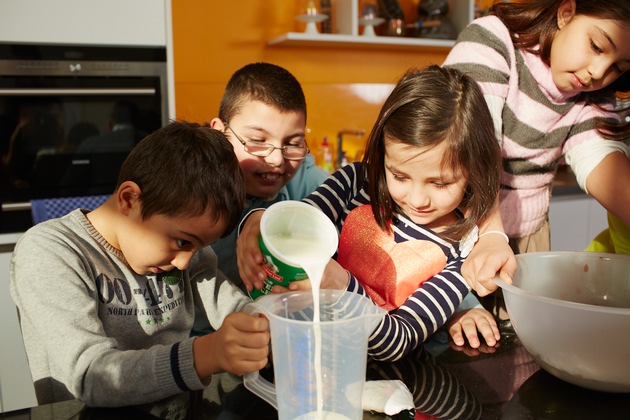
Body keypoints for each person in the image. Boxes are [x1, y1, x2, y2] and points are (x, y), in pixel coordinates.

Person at [238, 66, 503, 361]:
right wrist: (255, 224)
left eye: (440, 183)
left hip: (368, 376)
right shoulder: (355, 183)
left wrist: (342, 287)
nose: (417, 200)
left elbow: (397, 342)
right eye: (399, 176)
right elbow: (293, 226)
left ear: (473, 172)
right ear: (383, 154)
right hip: (298, 354)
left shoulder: (461, 253)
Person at [9, 121, 271, 407]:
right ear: (129, 199)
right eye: (183, 241)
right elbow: (93, 375)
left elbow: (233, 307)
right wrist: (204, 354)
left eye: (199, 246)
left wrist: (268, 321)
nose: (185, 262)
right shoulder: (50, 251)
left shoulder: (184, 254)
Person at [442, 0, 630, 297]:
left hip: (528, 241)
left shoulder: (590, 98)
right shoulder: (492, 40)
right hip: (459, 232)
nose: (598, 72)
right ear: (566, 13)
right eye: (596, 46)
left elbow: (603, 164)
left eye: (617, 67)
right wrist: (490, 233)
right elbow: (475, 141)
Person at [191, 62, 328, 335]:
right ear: (220, 132)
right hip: (196, 347)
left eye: (293, 143)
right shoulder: (188, 187)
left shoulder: (313, 186)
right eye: (257, 141)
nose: (277, 159)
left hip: (277, 343)